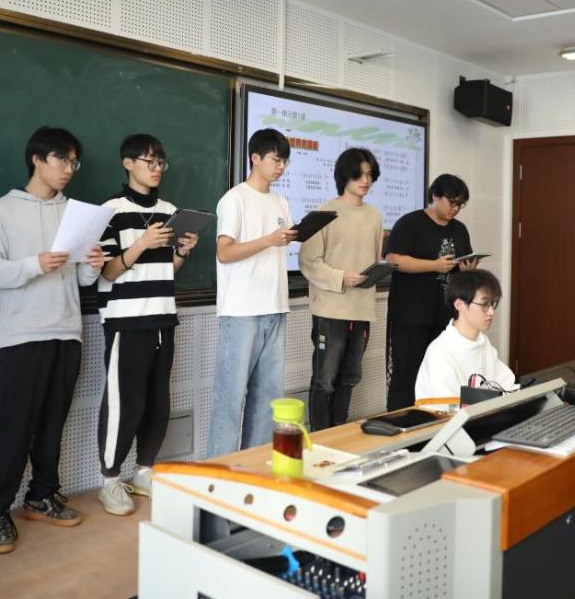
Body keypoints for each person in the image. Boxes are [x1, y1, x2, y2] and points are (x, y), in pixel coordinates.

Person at [0, 126, 106, 555]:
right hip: (22, 334)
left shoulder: (76, 214)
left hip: (67, 331)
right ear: (37, 159)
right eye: (61, 159)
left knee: (53, 424)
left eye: (73, 162)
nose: (69, 169)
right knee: (14, 427)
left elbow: (83, 279)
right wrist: (35, 264)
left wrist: (93, 263)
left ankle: (42, 495)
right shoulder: (1, 210)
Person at [94, 134, 199, 516]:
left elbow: (167, 269)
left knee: (157, 401)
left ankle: (144, 472)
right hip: (125, 319)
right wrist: (141, 243)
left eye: (160, 163)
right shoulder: (110, 210)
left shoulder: (169, 211)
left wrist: (182, 251)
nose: (156, 170)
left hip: (162, 315)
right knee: (124, 401)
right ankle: (109, 479)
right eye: (149, 162)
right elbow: (107, 271)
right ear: (128, 163)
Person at [208, 129, 298, 457]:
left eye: (285, 161)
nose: (281, 167)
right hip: (241, 310)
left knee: (268, 399)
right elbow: (224, 252)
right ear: (255, 158)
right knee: (230, 398)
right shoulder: (235, 199)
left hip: (275, 306)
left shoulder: (281, 201)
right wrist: (269, 240)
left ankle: (254, 466)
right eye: (276, 159)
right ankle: (220, 470)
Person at [298, 148, 383, 431]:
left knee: (350, 377)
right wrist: (341, 277)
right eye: (359, 174)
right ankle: (320, 437)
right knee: (325, 379)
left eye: (370, 175)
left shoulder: (374, 216)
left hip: (362, 309)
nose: (365, 181)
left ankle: (338, 432)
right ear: (344, 176)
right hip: (330, 309)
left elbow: (373, 259)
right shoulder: (325, 213)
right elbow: (308, 261)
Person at [383, 174, 477, 411]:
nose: (456, 209)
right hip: (410, 314)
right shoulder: (410, 223)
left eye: (460, 204)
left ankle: (433, 422)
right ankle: (399, 421)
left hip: (445, 314)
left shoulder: (459, 229)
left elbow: (462, 261)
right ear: (435, 195)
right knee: (406, 373)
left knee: (441, 373)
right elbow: (393, 259)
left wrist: (466, 270)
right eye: (452, 202)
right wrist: (433, 265)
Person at [415, 269, 515, 400]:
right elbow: (446, 407)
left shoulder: (483, 343)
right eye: (485, 304)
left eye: (492, 303)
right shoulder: (440, 351)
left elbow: (506, 385)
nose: (491, 312)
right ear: (459, 305)